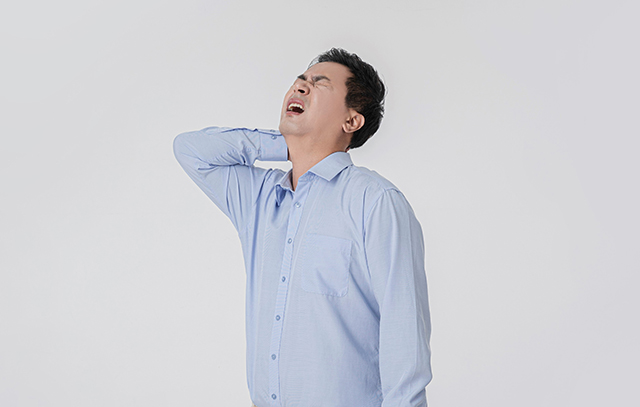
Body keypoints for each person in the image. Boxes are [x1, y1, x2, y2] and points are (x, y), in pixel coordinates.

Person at [173, 48, 432, 407]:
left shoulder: (374, 201)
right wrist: (285, 145)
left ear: (351, 121)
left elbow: (404, 333)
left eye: (319, 84)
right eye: (300, 80)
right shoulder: (259, 199)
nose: (299, 86)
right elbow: (190, 149)